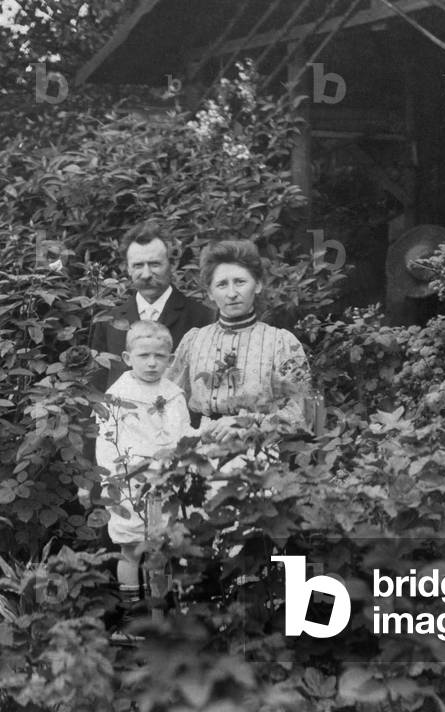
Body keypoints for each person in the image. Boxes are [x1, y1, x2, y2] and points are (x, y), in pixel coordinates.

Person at [167, 239, 312, 444]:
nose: (232, 293)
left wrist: (248, 423)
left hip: (258, 449)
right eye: (222, 284)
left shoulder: (280, 343)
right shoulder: (194, 341)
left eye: (240, 282)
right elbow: (167, 399)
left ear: (258, 285)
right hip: (201, 447)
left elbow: (299, 415)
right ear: (210, 292)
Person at [90, 320, 191, 607]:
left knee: (161, 548)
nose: (152, 363)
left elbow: (182, 435)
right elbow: (106, 442)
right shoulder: (117, 396)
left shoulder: (173, 395)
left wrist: (177, 466)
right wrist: (115, 479)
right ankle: (132, 610)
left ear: (170, 359)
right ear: (127, 358)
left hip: (166, 480)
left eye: (159, 356)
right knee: (131, 548)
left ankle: (161, 610)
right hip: (130, 482)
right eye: (144, 355)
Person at [90, 222, 215, 392]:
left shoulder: (203, 318)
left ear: (172, 264)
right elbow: (96, 389)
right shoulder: (108, 322)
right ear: (128, 268)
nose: (146, 274)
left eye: (155, 264)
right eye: (138, 265)